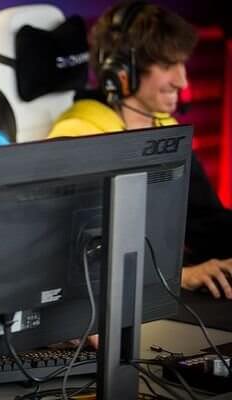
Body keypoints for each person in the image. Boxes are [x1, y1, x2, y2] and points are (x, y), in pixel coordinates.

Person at [48, 1, 232, 300]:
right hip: (108, 304)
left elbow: (205, 221)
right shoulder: (78, 134)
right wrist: (181, 276)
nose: (182, 80)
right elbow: (79, 256)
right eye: (167, 65)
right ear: (122, 70)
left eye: (182, 63)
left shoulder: (165, 127)